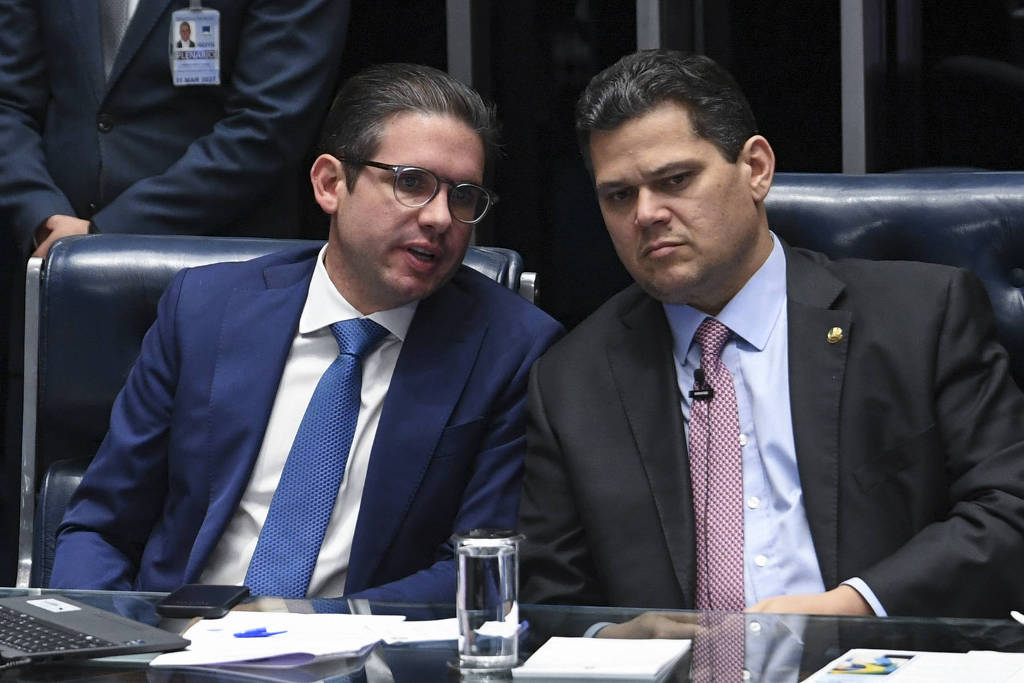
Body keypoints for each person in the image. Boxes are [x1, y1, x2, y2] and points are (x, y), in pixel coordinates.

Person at [519, 49, 1024, 625]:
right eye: (618, 196)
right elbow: (547, 598)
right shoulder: (572, 379)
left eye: (676, 180)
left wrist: (855, 606)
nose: (647, 214)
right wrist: (612, 638)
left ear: (755, 168)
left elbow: (1009, 507)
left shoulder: (919, 317)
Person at [49, 63, 564, 601]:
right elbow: (101, 526)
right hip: (177, 644)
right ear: (330, 184)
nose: (440, 218)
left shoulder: (512, 349)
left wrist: (311, 637)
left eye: (462, 197)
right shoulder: (204, 309)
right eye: (412, 183)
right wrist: (109, 646)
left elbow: (477, 567)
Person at [0, 0, 349, 585]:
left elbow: (268, 123)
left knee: (210, 495)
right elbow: (7, 98)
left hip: (217, 275)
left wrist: (103, 238)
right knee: (52, 494)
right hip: (49, 264)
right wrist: (43, 219)